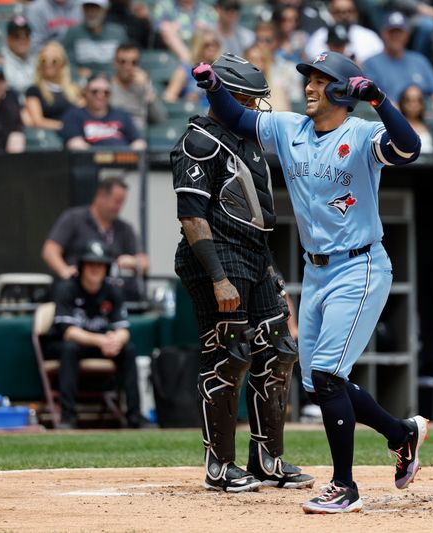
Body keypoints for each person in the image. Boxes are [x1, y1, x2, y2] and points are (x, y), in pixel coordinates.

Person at [191, 50, 428, 513]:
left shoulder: (361, 135)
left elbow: (408, 149)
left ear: (344, 91)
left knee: (327, 376)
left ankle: (345, 486)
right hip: (316, 270)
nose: (310, 87)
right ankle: (402, 435)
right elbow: (238, 119)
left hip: (359, 266)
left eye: (322, 81)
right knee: (320, 383)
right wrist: (213, 88)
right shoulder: (291, 128)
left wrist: (379, 100)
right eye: (310, 79)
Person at [171, 53, 314, 494]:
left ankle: (267, 459)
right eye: (250, 99)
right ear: (229, 96)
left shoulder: (248, 139)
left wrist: (272, 274)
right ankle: (220, 466)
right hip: (215, 255)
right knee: (229, 357)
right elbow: (192, 217)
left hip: (254, 254)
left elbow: (256, 218)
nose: (256, 107)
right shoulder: (199, 140)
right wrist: (218, 276)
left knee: (280, 349)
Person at [45, 240, 145, 429]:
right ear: (82, 266)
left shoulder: (112, 290)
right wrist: (102, 340)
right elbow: (68, 332)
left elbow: (124, 329)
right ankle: (68, 417)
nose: (95, 269)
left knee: (128, 349)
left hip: (100, 345)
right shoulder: (67, 288)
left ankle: (135, 416)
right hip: (67, 344)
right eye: (90, 264)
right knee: (70, 349)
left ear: (106, 268)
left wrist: (116, 340)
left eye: (100, 265)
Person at [42, 176, 149, 287]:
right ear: (100, 195)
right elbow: (50, 250)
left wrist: (134, 262)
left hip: (111, 292)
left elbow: (145, 263)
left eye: (122, 203)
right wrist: (64, 270)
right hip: (76, 289)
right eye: (116, 201)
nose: (119, 207)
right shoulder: (73, 219)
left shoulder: (125, 228)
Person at [362, 11, 433, 106]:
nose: (396, 37)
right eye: (392, 32)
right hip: (386, 117)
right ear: (383, 33)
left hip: (420, 117)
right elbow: (367, 98)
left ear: (407, 34)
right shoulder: (371, 63)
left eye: (399, 32)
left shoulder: (419, 60)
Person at [59, 72, 146, 150]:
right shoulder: (74, 115)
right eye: (95, 92)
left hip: (123, 162)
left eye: (106, 92)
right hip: (90, 164)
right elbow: (75, 144)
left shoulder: (121, 114)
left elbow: (138, 142)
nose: (100, 96)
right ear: (85, 92)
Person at [62, 0, 128, 80]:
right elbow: (67, 63)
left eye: (95, 8)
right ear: (82, 9)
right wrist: (76, 72)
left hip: (114, 81)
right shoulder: (73, 33)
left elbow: (127, 60)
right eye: (87, 8)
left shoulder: (118, 33)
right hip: (82, 82)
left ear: (105, 10)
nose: (91, 12)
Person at [110, 42, 167, 134]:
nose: (128, 67)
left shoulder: (143, 85)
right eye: (123, 62)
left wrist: (146, 88)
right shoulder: (106, 88)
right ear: (115, 63)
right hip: (114, 133)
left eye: (134, 62)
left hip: (140, 135)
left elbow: (160, 118)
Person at [25, 42, 83, 130]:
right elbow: (38, 121)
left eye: (54, 61)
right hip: (50, 136)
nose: (48, 64)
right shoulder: (34, 90)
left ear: (63, 64)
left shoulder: (74, 89)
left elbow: (85, 113)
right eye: (43, 60)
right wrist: (65, 126)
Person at [304, 0, 384, 64]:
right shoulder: (319, 36)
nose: (344, 15)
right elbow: (311, 61)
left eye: (349, 11)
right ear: (331, 13)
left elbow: (380, 62)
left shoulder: (369, 36)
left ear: (356, 13)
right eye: (338, 12)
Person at [163, 28, 220, 105]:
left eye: (215, 44)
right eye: (207, 45)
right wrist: (186, 102)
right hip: (196, 115)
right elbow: (168, 98)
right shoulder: (185, 70)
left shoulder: (219, 70)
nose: (212, 48)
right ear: (197, 46)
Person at [1, 16, 36, 98]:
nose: (22, 39)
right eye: (17, 36)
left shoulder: (35, 59)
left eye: (26, 35)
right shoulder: (0, 60)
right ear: (8, 39)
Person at [398, 84, 433, 153]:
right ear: (401, 103)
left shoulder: (432, 128)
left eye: (418, 100)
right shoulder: (395, 128)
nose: (414, 105)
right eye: (408, 100)